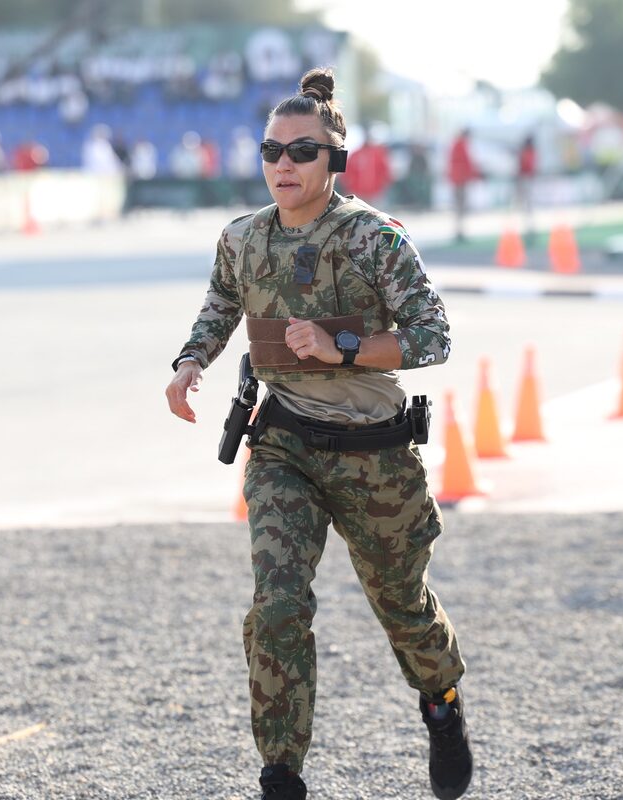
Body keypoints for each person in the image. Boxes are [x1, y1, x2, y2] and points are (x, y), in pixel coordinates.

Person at [165, 67, 472, 800]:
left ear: (335, 161)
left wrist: (342, 349)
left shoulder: (374, 240)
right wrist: (188, 363)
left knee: (402, 606)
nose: (282, 165)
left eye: (301, 152)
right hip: (285, 447)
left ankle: (442, 704)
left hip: (375, 453)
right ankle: (281, 775)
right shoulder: (242, 240)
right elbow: (221, 301)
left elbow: (433, 337)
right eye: (271, 151)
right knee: (276, 607)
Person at [447, 128, 479, 243]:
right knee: (460, 207)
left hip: (457, 179)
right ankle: (459, 231)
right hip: (460, 180)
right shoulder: (461, 145)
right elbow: (467, 162)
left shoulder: (456, 144)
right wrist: (474, 175)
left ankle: (459, 230)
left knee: (459, 207)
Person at [515, 134, 538, 243]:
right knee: (526, 205)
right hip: (527, 179)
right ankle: (528, 228)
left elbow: (524, 166)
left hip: (525, 179)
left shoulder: (526, 153)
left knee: (525, 205)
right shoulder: (531, 153)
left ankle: (528, 228)